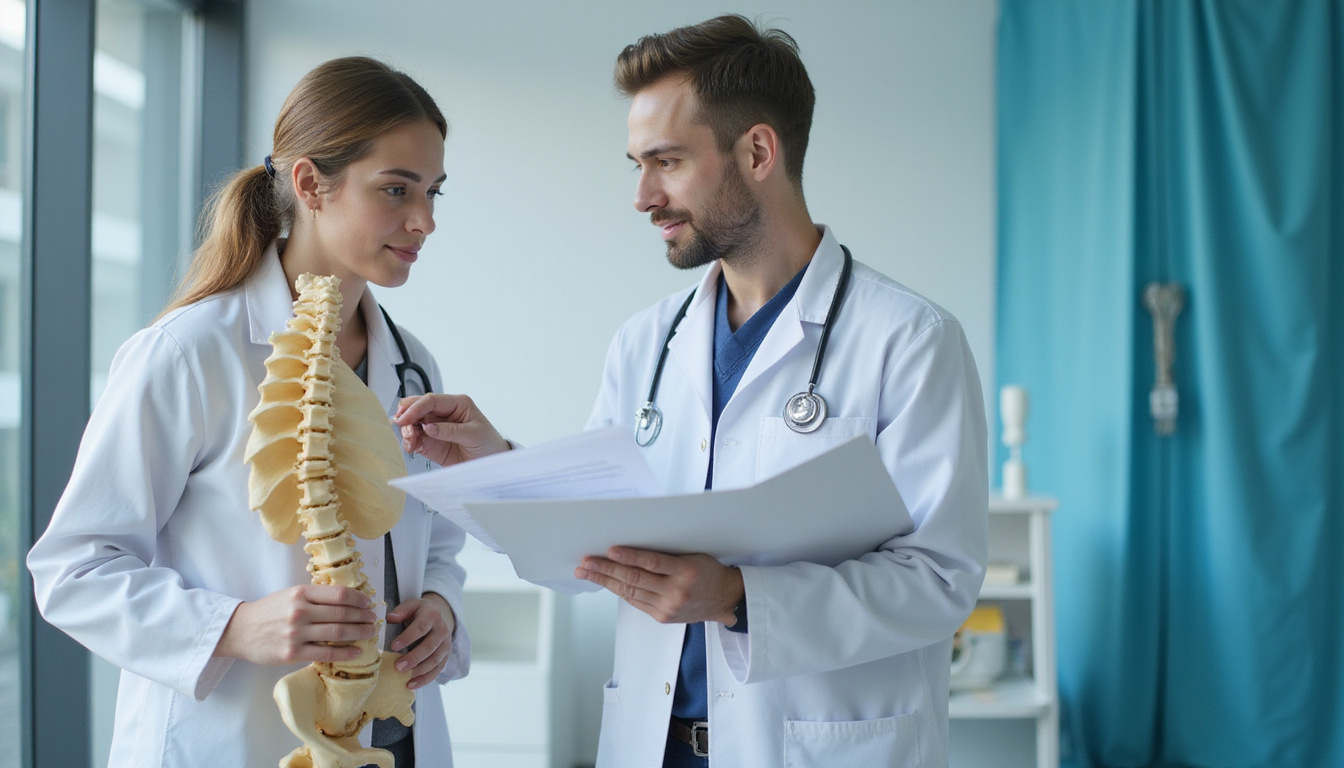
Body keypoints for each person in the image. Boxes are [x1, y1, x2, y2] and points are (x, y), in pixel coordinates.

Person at [395, 14, 987, 768]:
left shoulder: (908, 340)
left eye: (666, 162)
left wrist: (739, 596)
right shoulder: (648, 342)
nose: (643, 196)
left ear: (758, 152)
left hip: (817, 748)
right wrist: (491, 459)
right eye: (637, 164)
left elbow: (940, 582)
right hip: (656, 746)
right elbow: (594, 549)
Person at [27, 57, 494, 768]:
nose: (424, 220)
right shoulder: (189, 353)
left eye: (432, 192)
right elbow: (72, 569)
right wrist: (233, 627)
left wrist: (440, 604)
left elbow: (432, 538)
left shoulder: (411, 362)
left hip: (390, 742)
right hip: (234, 741)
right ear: (310, 184)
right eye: (396, 189)